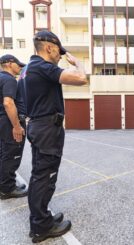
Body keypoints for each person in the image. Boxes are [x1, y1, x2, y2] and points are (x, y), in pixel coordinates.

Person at [18, 30, 88, 243]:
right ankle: (41, 227)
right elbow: (81, 79)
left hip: (39, 126)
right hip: (47, 128)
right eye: (59, 51)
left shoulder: (27, 70)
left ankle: (41, 219)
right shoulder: (42, 66)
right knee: (45, 177)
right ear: (49, 47)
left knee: (39, 174)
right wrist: (78, 63)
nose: (60, 55)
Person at [0, 55, 27, 199]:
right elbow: (8, 103)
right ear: (9, 64)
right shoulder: (9, 79)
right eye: (18, 64)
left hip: (3, 122)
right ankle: (7, 189)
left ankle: (4, 185)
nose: (20, 67)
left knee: (4, 154)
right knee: (11, 155)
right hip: (10, 122)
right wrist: (16, 126)